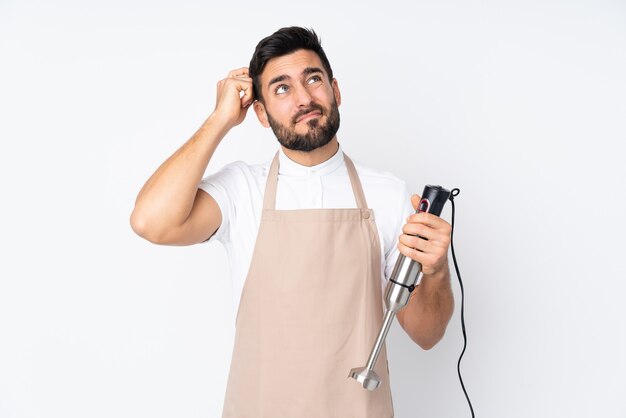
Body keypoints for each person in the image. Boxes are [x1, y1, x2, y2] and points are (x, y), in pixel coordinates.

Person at [131, 26, 454, 417]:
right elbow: (151, 222)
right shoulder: (241, 189)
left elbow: (427, 334)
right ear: (261, 114)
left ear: (336, 91)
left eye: (313, 79)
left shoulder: (387, 195)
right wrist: (219, 120)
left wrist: (435, 273)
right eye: (282, 88)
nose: (304, 99)